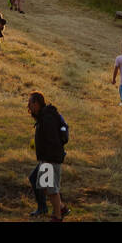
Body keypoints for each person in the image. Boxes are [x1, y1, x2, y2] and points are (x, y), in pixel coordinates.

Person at [27, 91, 70, 221]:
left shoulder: (47, 118)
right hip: (47, 158)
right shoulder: (43, 116)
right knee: (44, 186)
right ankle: (62, 208)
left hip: (50, 158)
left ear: (36, 103)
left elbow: (53, 140)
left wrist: (48, 158)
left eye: (30, 103)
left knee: (51, 189)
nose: (28, 106)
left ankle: (57, 216)